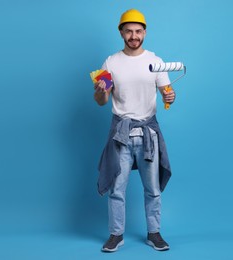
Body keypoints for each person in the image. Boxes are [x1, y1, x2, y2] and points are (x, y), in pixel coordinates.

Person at [93, 9, 176, 252]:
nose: (134, 35)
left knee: (153, 189)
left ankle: (154, 233)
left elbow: (167, 95)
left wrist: (170, 96)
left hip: (148, 133)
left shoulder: (156, 61)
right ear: (121, 33)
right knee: (117, 189)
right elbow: (101, 100)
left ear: (145, 32)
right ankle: (115, 234)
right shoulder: (110, 63)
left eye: (138, 31)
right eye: (128, 31)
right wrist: (100, 90)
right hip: (121, 133)